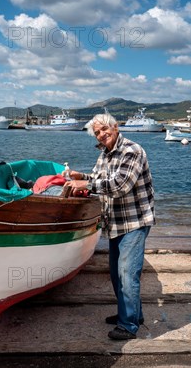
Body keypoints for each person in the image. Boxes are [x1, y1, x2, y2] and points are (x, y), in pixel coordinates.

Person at [65, 113, 155, 340]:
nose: (101, 134)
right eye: (97, 132)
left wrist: (85, 183)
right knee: (117, 275)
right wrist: (81, 175)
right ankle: (133, 315)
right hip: (115, 222)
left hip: (134, 221)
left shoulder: (132, 151)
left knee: (127, 274)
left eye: (104, 129)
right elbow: (98, 178)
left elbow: (119, 185)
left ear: (115, 127)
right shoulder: (105, 153)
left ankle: (128, 326)